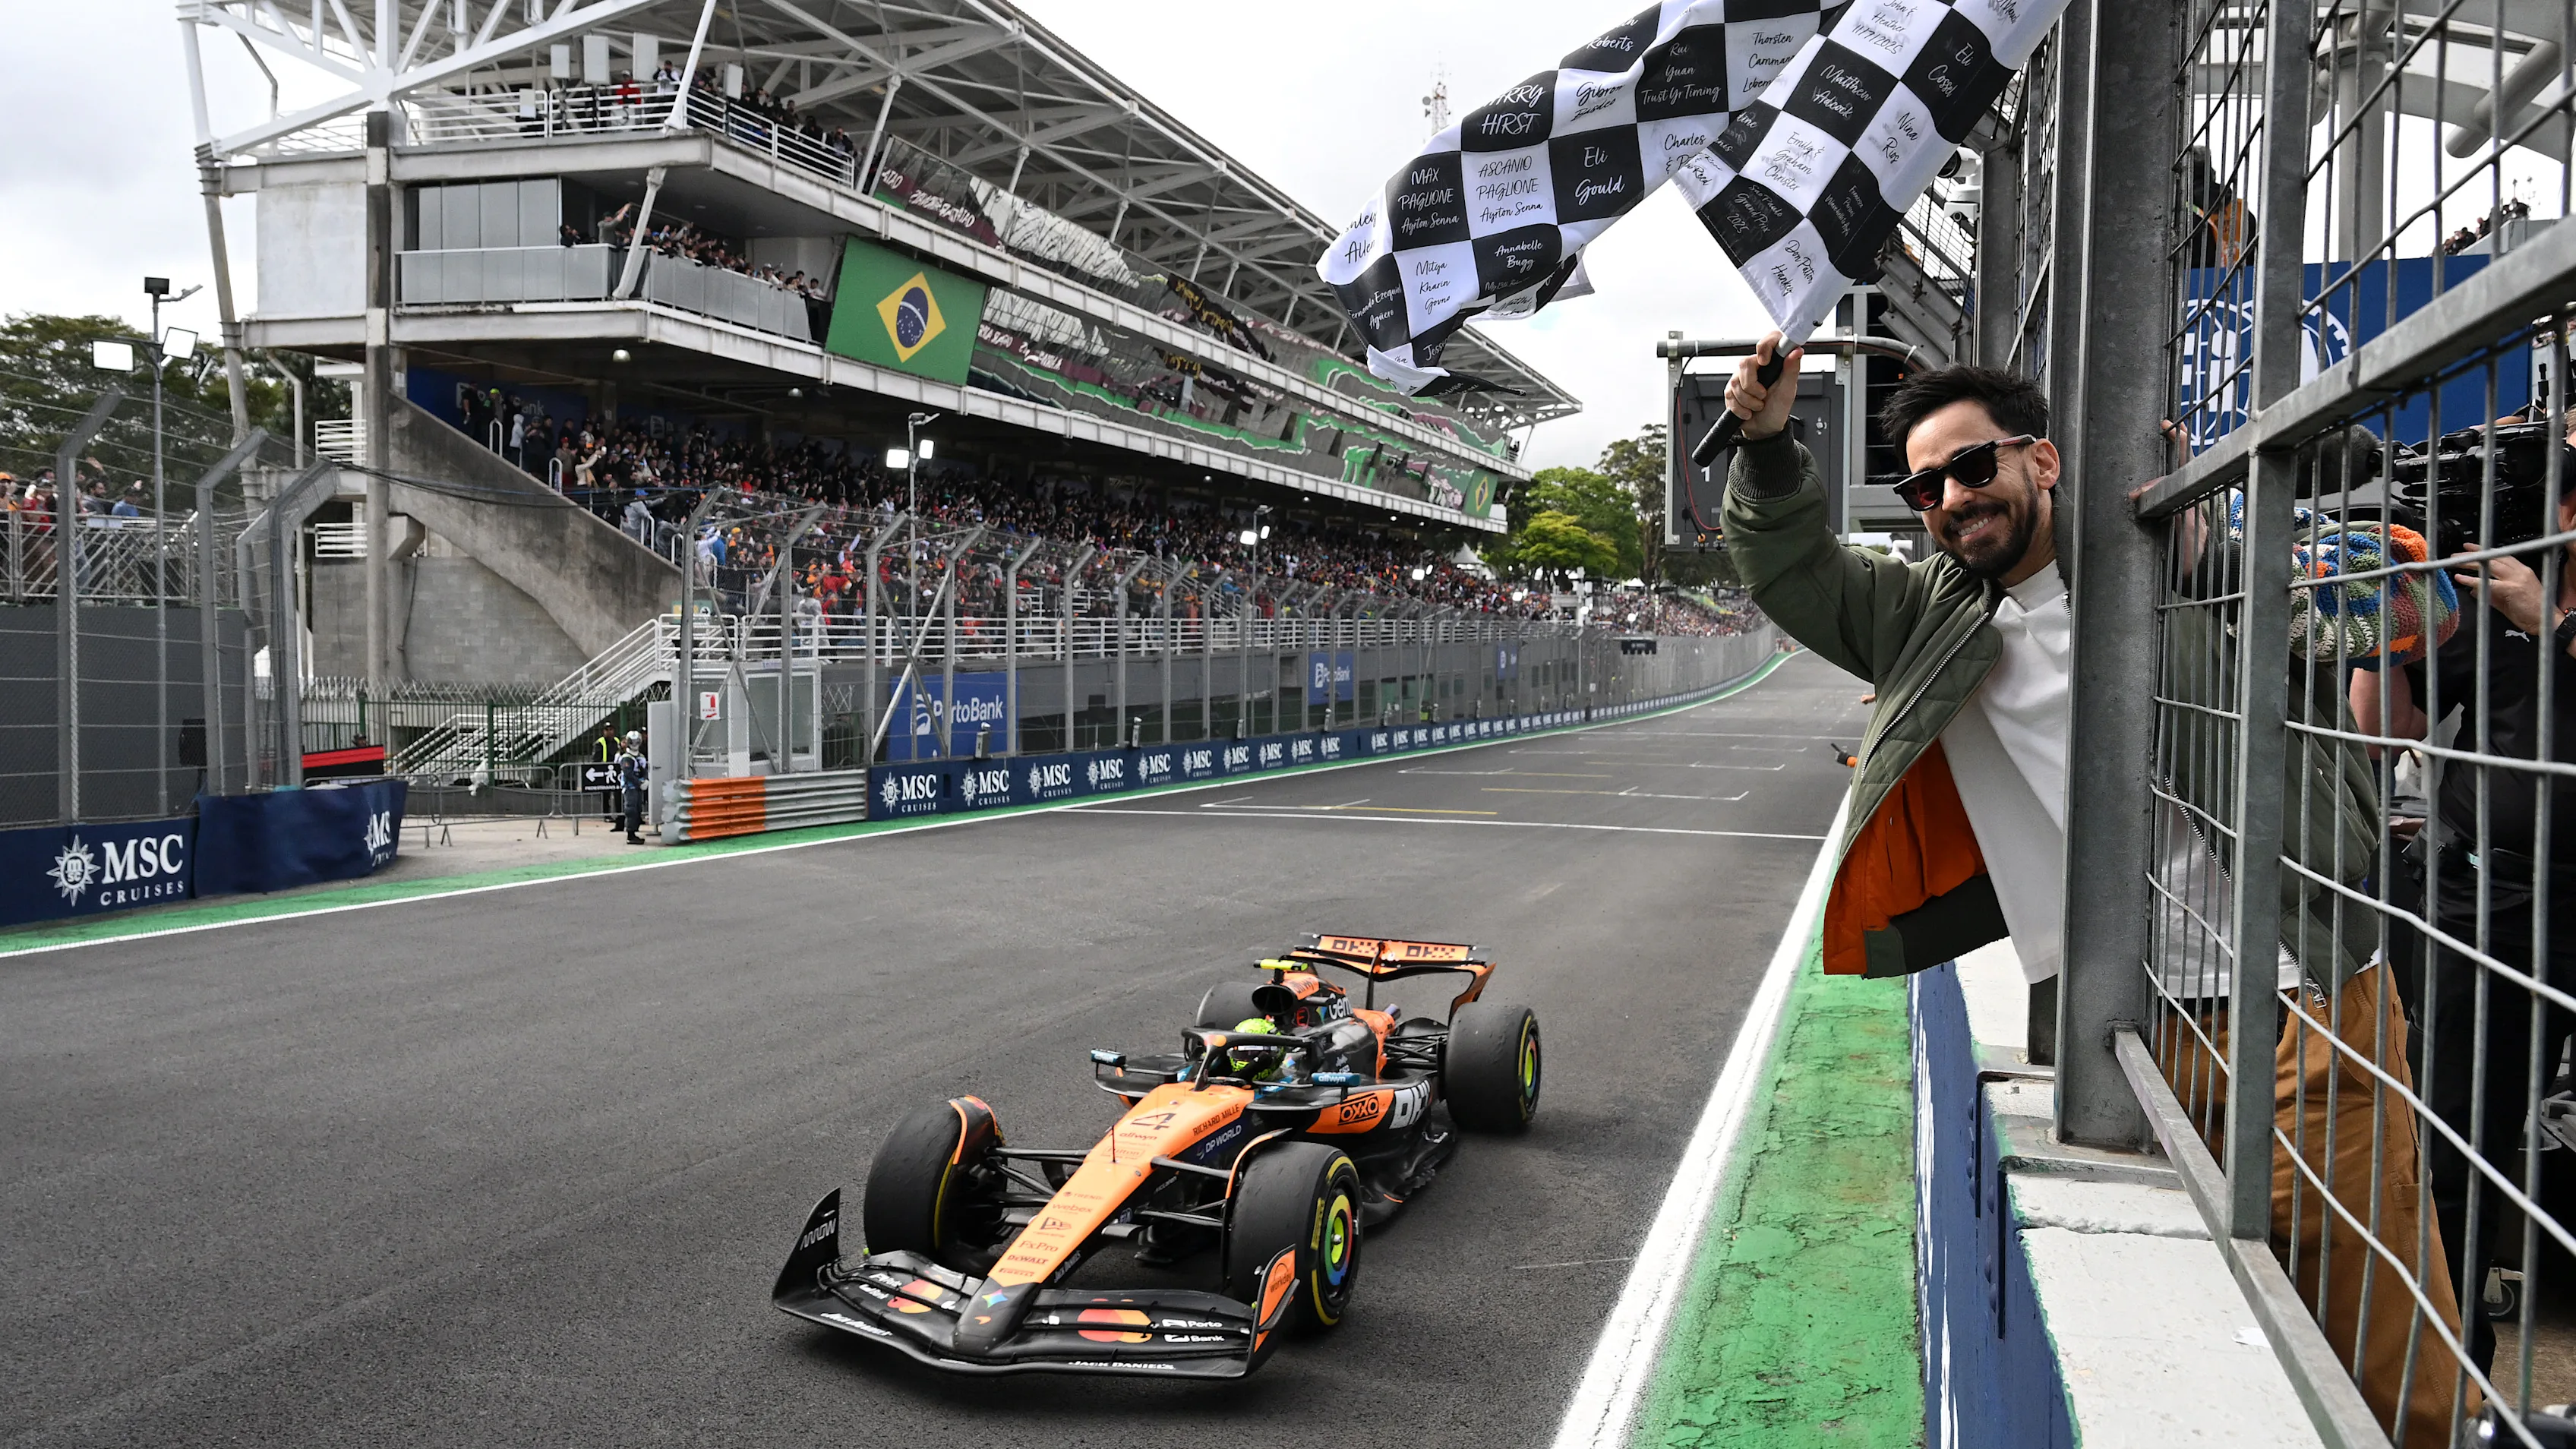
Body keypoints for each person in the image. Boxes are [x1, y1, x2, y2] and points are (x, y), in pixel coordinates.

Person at [1719, 334, 2468, 1443]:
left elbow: (2427, 604)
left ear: (2044, 461)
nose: (1953, 500)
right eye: (1926, 487)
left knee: (2393, 1370)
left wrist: (2217, 549)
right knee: (2218, 1365)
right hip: (2127, 1030)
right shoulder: (1927, 613)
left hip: (2308, 1013)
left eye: (1975, 468)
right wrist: (1769, 446)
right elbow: (1789, 568)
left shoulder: (2190, 546)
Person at [2352, 415, 2576, 1380]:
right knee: (2445, 1147)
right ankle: (2447, 1382)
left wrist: (2550, 627)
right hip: (2478, 897)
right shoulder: (2493, 570)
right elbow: (2384, 727)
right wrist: (2383, 624)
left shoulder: (2531, 598)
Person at [615, 728, 649, 844]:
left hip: (638, 787)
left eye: (637, 742)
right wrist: (639, 783)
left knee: (638, 809)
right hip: (630, 788)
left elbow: (644, 770)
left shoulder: (642, 757)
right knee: (631, 810)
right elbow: (628, 774)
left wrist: (645, 780)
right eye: (632, 742)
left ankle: (634, 831)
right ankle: (630, 834)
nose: (635, 744)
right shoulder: (626, 758)